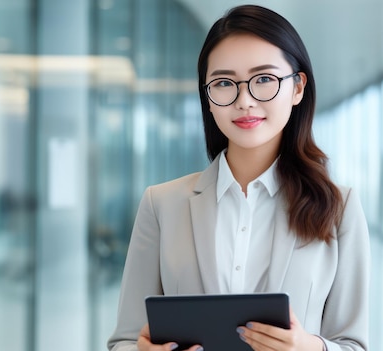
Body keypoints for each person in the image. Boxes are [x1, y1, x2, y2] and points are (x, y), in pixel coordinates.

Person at [108, 4, 369, 351]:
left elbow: (355, 345)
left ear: (297, 88)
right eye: (224, 83)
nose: (244, 100)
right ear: (208, 97)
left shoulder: (338, 207)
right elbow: (125, 340)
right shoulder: (162, 204)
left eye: (264, 79)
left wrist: (311, 348)